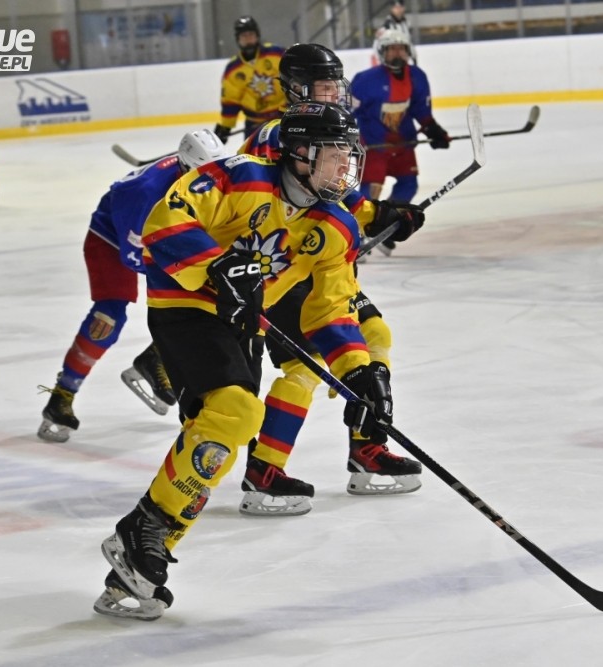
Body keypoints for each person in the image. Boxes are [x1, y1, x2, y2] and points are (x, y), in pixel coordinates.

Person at [95, 102, 396, 620]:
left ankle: (139, 561)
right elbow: (165, 220)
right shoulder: (241, 177)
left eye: (348, 157)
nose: (344, 168)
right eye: (333, 156)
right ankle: (143, 531)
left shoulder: (337, 226)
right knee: (236, 411)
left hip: (244, 322)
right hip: (185, 304)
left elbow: (331, 308)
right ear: (299, 154)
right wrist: (217, 267)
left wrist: (361, 373)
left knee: (216, 430)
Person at [236, 43, 424, 516]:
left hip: (324, 266)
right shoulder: (279, 135)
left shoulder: (326, 126)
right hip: (285, 269)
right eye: (323, 86)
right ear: (296, 88)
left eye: (334, 85)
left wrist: (385, 213)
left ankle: (367, 447)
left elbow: (337, 194)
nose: (333, 93)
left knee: (374, 335)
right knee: (307, 366)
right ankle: (265, 470)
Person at [37, 130, 226, 443]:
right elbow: (134, 257)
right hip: (111, 239)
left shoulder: (208, 176)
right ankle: (62, 395)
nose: (210, 183)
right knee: (108, 317)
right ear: (183, 167)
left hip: (164, 231)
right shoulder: (145, 194)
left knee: (208, 299)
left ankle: (155, 358)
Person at [351, 28, 449, 256]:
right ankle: (357, 235)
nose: (397, 53)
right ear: (382, 52)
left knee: (409, 185)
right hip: (373, 145)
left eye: (401, 49)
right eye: (392, 49)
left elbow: (420, 109)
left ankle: (385, 225)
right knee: (371, 190)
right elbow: (347, 110)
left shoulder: (417, 76)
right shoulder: (365, 80)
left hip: (402, 144)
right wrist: (349, 136)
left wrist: (432, 129)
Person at [213, 16, 286, 145]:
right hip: (255, 124)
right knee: (252, 156)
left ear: (257, 35)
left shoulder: (276, 54)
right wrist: (225, 127)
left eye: (251, 34)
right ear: (238, 39)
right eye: (244, 36)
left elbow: (295, 79)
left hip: (285, 117)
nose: (248, 39)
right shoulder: (233, 69)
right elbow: (230, 102)